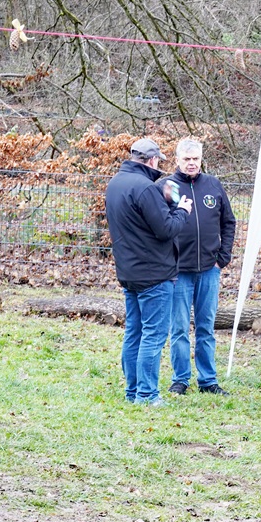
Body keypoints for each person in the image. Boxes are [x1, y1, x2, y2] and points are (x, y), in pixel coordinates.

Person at [104, 138, 192, 405]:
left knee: (134, 333)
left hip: (129, 271)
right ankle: (147, 394)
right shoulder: (145, 188)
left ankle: (132, 391)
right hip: (154, 273)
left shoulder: (115, 184)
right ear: (152, 160)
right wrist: (181, 210)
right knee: (153, 335)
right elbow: (165, 229)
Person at [166, 139, 237, 397]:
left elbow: (229, 222)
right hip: (179, 272)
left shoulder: (213, 185)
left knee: (206, 327)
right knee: (180, 328)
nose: (192, 163)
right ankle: (180, 380)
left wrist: (223, 257)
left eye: (196, 158)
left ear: (201, 158)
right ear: (178, 160)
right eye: (187, 159)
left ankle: (208, 380)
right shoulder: (168, 188)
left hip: (209, 269)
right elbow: (158, 226)